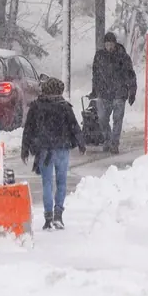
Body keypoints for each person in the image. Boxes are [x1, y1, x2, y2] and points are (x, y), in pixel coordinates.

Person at [22, 76, 85, 230]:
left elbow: (28, 129)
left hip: (44, 151)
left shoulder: (36, 107)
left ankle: (48, 217)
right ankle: (58, 214)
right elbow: (74, 126)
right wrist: (81, 143)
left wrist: (25, 148)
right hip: (62, 149)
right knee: (61, 183)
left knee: (47, 184)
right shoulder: (64, 107)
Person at [90, 32, 136, 153]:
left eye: (111, 44)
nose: (109, 46)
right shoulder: (99, 56)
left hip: (119, 93)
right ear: (104, 44)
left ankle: (114, 143)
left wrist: (132, 91)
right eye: (107, 44)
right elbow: (95, 74)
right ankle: (107, 139)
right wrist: (94, 90)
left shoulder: (123, 56)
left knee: (117, 119)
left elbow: (130, 74)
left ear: (115, 44)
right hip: (103, 93)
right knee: (102, 118)